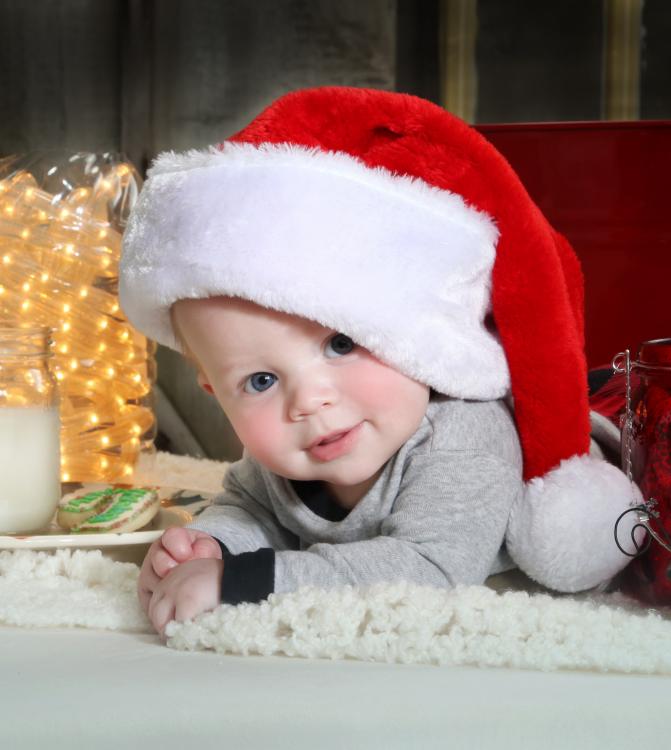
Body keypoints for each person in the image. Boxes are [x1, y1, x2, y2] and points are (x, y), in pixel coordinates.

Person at [119, 86, 639, 634]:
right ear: (214, 392)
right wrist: (208, 547)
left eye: (341, 345)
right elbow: (250, 511)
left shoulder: (462, 439)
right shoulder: (280, 457)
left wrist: (245, 583)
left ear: (410, 335)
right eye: (261, 380)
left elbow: (429, 571)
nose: (309, 400)